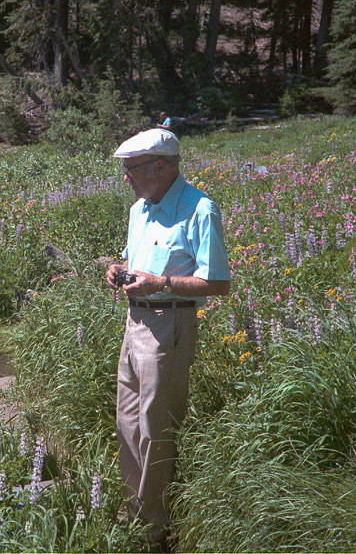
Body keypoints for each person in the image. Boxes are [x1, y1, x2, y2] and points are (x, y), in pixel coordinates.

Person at [106, 128, 231, 550]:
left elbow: (217, 283)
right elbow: (135, 259)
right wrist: (118, 268)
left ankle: (154, 527)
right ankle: (134, 512)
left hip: (169, 326)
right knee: (127, 424)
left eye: (133, 169)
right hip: (134, 323)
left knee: (155, 427)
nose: (127, 178)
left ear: (161, 166)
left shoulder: (200, 209)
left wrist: (161, 282)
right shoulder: (140, 209)